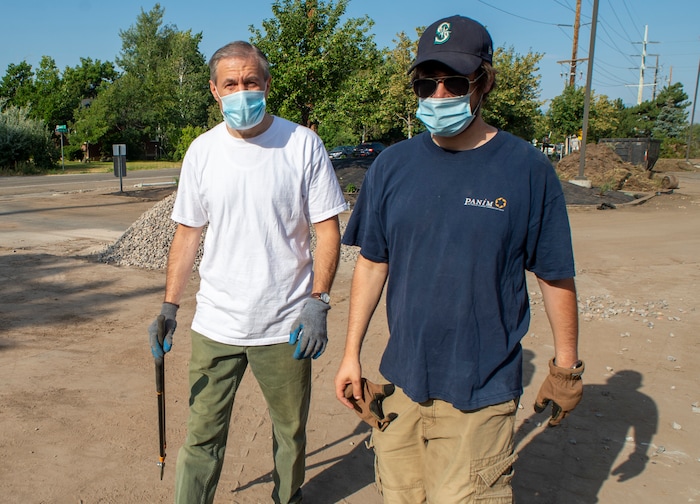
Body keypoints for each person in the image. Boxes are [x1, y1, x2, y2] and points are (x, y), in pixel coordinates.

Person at [334, 15, 583, 503]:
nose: (440, 94)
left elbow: (555, 274)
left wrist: (566, 368)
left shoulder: (526, 169)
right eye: (427, 82)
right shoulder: (392, 166)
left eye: (454, 80)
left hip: (481, 392)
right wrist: (350, 355)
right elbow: (372, 263)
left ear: (485, 81)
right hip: (401, 387)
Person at [148, 41, 347, 504]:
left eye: (251, 82)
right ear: (214, 91)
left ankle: (286, 498)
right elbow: (187, 236)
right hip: (217, 324)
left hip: (285, 326)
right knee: (201, 437)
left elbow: (327, 230)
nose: (242, 92)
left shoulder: (301, 144)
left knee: (290, 433)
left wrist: (318, 301)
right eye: (231, 84)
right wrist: (169, 306)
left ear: (266, 85)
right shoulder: (202, 152)